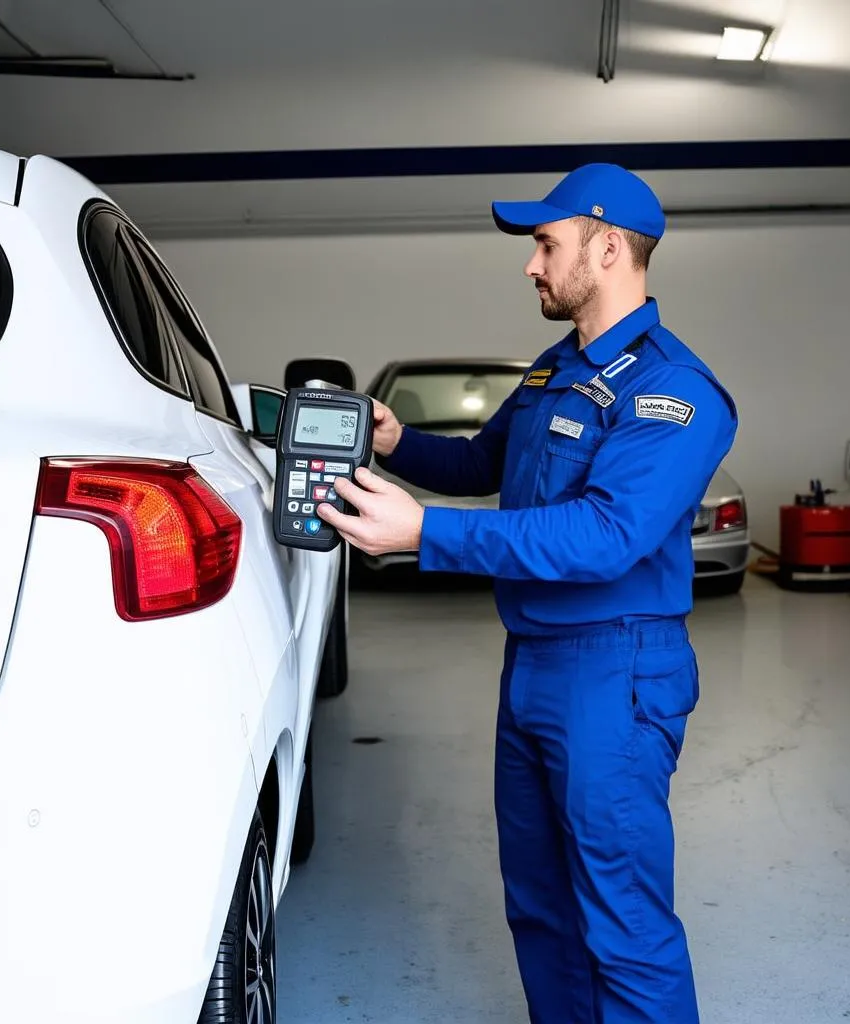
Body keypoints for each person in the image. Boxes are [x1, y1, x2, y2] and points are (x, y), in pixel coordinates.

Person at [316, 163, 738, 1024]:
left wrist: (424, 533)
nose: (530, 264)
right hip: (533, 667)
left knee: (623, 925)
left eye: (547, 243)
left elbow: (606, 535)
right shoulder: (555, 369)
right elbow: (481, 464)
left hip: (613, 673)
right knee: (540, 908)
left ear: (609, 247)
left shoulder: (674, 390)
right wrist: (398, 442)